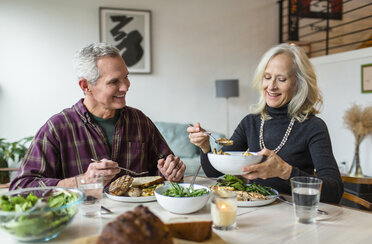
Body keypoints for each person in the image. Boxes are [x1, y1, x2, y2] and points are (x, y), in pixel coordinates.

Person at [10, 43, 185, 190]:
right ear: (86, 86)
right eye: (114, 81)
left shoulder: (140, 121)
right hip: (84, 223)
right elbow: (21, 187)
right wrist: (81, 181)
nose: (125, 86)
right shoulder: (57, 128)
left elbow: (164, 170)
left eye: (126, 77)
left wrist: (171, 172)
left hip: (138, 219)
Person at [187, 43, 343, 204]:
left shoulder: (313, 126)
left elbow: (335, 191)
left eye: (281, 79)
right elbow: (214, 172)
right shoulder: (251, 122)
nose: (271, 86)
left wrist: (285, 171)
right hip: (256, 208)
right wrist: (205, 146)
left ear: (298, 84)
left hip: (294, 211)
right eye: (267, 77)